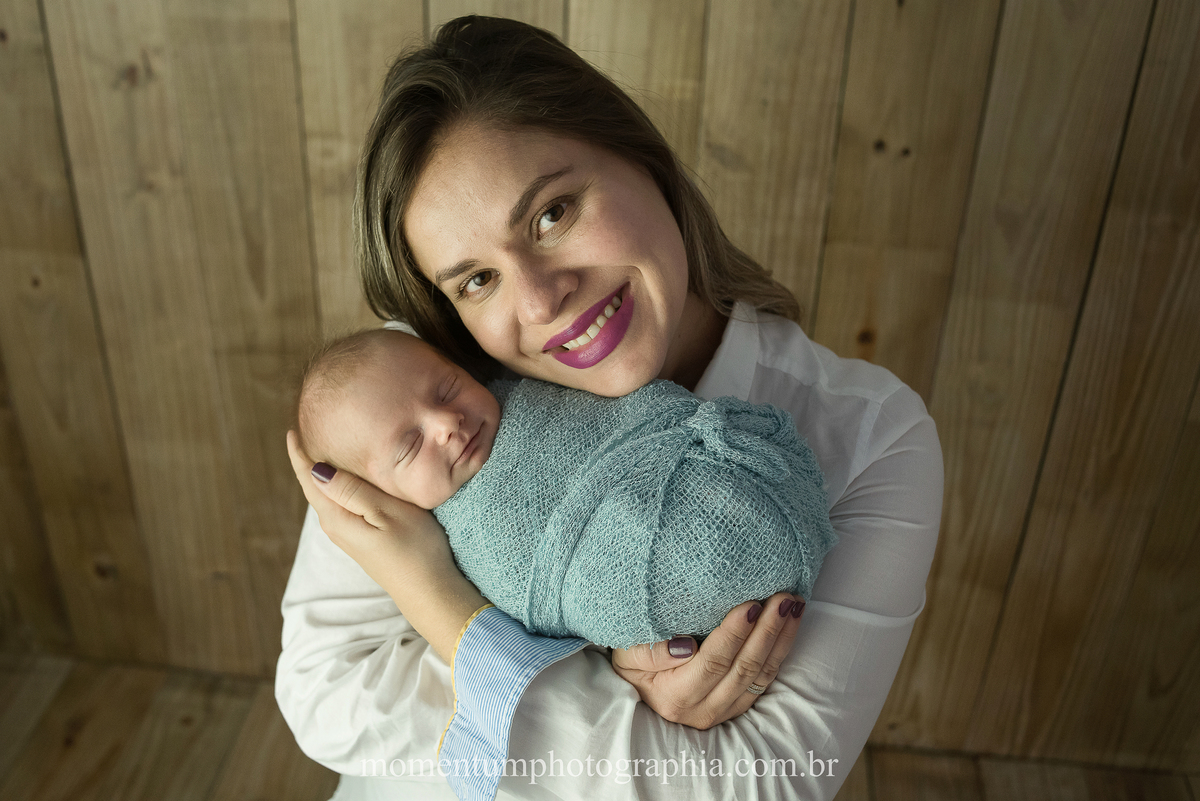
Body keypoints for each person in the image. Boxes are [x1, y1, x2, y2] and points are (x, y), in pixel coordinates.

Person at [277, 15, 943, 800]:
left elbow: (764, 787)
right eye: (476, 280)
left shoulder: (872, 438)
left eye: (552, 214)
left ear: (643, 157)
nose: (539, 299)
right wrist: (623, 695)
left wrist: (439, 605)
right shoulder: (417, 390)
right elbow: (323, 694)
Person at [294, 327, 836, 649]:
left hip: (682, 453)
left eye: (448, 386)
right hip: (598, 565)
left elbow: (615, 417)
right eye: (409, 446)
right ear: (381, 496)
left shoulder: (520, 388)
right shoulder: (434, 538)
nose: (445, 423)